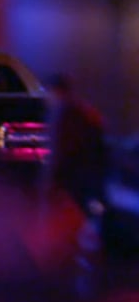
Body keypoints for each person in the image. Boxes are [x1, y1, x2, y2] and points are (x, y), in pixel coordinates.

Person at [45, 72, 108, 213]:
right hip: (83, 176)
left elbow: (63, 148)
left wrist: (51, 177)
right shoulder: (83, 112)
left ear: (56, 91)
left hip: (75, 177)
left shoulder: (67, 115)